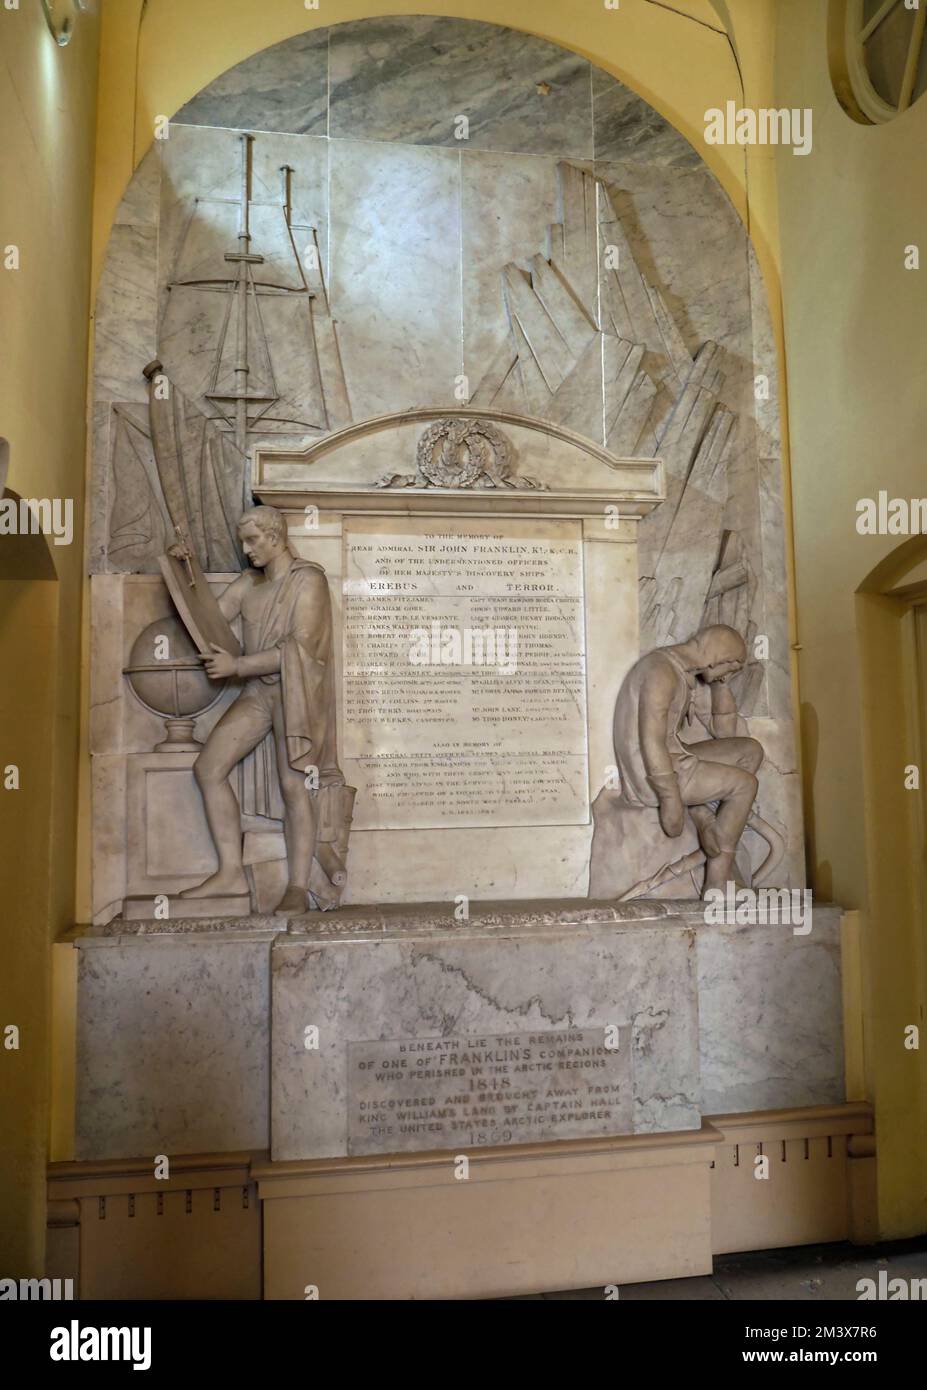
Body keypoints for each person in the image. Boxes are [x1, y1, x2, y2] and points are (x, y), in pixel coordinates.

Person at [170, 505, 344, 915]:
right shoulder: (249, 584)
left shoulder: (309, 581)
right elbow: (206, 620)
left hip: (295, 693)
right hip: (257, 694)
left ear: (276, 536)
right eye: (243, 541)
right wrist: (186, 566)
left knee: (294, 785)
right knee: (208, 768)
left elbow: (301, 647)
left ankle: (297, 887)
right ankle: (230, 871)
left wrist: (238, 666)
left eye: (252, 540)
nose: (246, 550)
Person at [612, 624, 763, 895]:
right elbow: (651, 739)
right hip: (652, 773)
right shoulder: (661, 671)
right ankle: (719, 880)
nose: (728, 675)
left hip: (672, 757)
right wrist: (670, 798)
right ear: (722, 657)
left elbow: (725, 734)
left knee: (749, 751)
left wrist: (720, 686)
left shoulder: (676, 668)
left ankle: (705, 818)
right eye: (731, 668)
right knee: (745, 785)